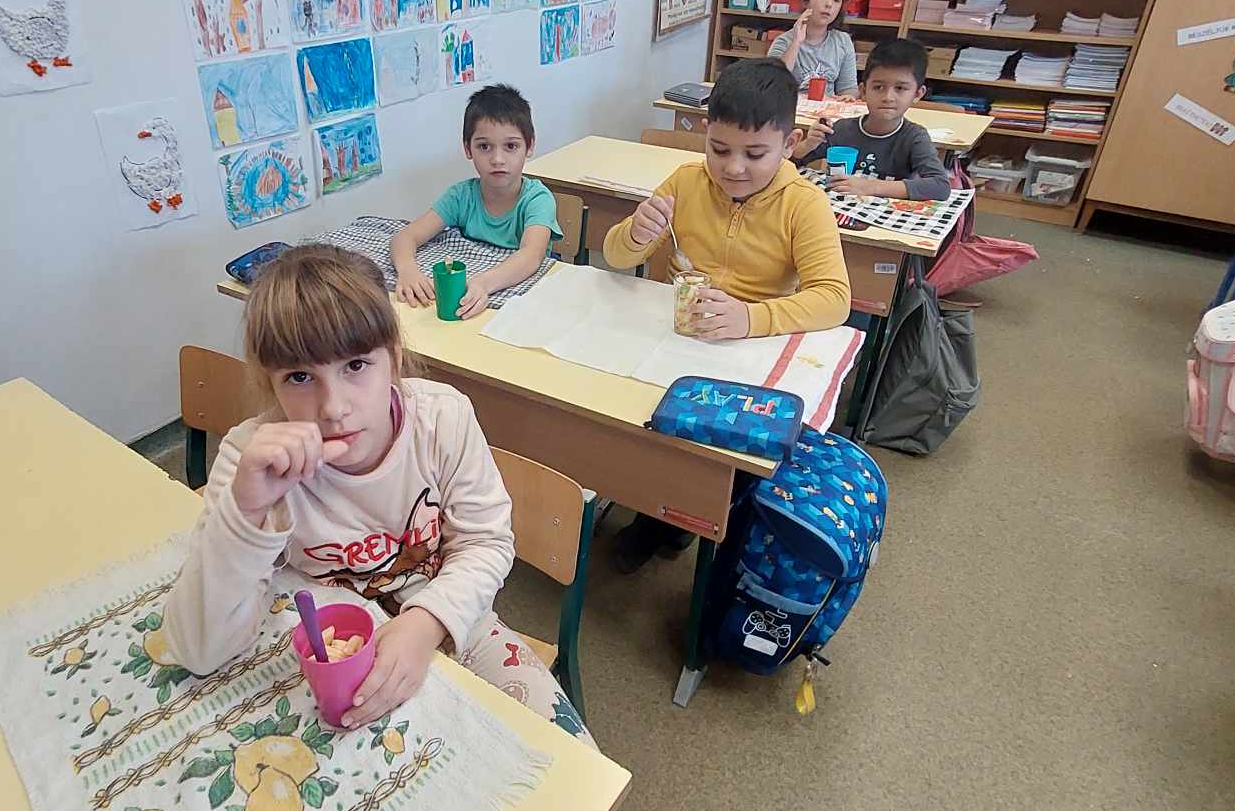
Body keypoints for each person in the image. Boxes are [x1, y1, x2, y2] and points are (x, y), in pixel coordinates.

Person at [161, 244, 593, 744]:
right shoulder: (249, 459)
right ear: (270, 384)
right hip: (325, 638)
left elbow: (487, 543)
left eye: (356, 366)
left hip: (447, 614)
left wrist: (425, 624)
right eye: (300, 377)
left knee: (569, 753)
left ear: (394, 357)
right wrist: (246, 513)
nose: (333, 407)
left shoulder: (442, 419)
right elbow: (198, 651)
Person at [601, 57, 849, 569]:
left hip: (748, 349)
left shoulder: (804, 204)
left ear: (790, 143)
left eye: (755, 154)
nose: (734, 167)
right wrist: (636, 233)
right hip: (675, 335)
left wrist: (751, 318)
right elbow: (615, 257)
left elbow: (833, 297)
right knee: (636, 415)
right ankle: (656, 512)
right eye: (719, 149)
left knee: (717, 446)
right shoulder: (685, 181)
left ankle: (684, 520)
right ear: (705, 134)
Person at [392, 84, 561, 318]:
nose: (497, 159)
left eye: (511, 146)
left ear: (529, 146)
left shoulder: (537, 199)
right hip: (470, 302)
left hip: (520, 304)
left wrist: (483, 283)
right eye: (484, 147)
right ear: (467, 149)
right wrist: (408, 270)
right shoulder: (461, 196)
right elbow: (406, 236)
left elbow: (531, 255)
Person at [798, 38, 952, 201]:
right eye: (878, 87)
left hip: (885, 214)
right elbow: (790, 162)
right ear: (863, 91)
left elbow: (940, 186)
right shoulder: (841, 130)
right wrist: (808, 144)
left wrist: (870, 186)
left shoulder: (914, 137)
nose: (888, 97)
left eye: (900, 88)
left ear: (917, 94)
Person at [768, 0, 858, 99]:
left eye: (836, 0)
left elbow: (849, 88)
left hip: (827, 110)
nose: (829, 4)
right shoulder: (783, 42)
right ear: (806, 1)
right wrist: (796, 43)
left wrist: (849, 97)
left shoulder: (843, 41)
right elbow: (773, 84)